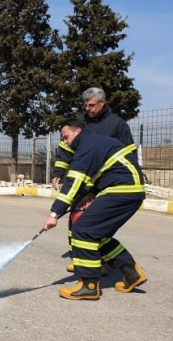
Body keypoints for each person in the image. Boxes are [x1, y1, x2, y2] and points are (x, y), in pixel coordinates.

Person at [43, 118, 147, 300]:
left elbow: (74, 182)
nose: (65, 142)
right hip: (127, 190)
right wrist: (90, 194)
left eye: (66, 137)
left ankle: (89, 285)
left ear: (77, 131)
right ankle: (132, 274)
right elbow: (94, 177)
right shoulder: (94, 142)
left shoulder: (88, 146)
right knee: (99, 234)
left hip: (122, 190)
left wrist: (55, 213)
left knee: (83, 231)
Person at [51, 87, 136, 273]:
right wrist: (58, 171)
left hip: (108, 180)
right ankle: (79, 256)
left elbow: (130, 153)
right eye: (85, 105)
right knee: (76, 216)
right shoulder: (79, 124)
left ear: (102, 103)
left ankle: (98, 260)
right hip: (85, 177)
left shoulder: (117, 125)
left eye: (91, 105)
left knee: (94, 222)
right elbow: (65, 149)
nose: (87, 108)